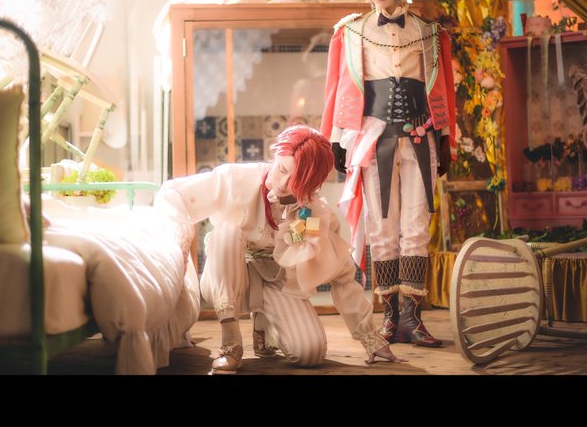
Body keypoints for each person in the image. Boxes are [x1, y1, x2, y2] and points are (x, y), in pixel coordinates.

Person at [154, 124, 402, 374]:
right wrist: (179, 243)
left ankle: (263, 324)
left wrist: (370, 338)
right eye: (282, 169)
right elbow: (173, 193)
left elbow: (343, 275)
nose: (282, 183)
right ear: (276, 155)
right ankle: (231, 341)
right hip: (230, 273)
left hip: (277, 278)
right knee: (226, 232)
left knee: (310, 353)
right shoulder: (234, 179)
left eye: (295, 180)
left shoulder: (313, 213)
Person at [320, 0, 456, 348]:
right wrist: (336, 139)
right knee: (381, 228)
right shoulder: (351, 31)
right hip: (372, 137)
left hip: (421, 137)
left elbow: (443, 87)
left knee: (416, 226)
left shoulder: (429, 32)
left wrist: (446, 138)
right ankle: (390, 317)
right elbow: (338, 87)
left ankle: (413, 318)